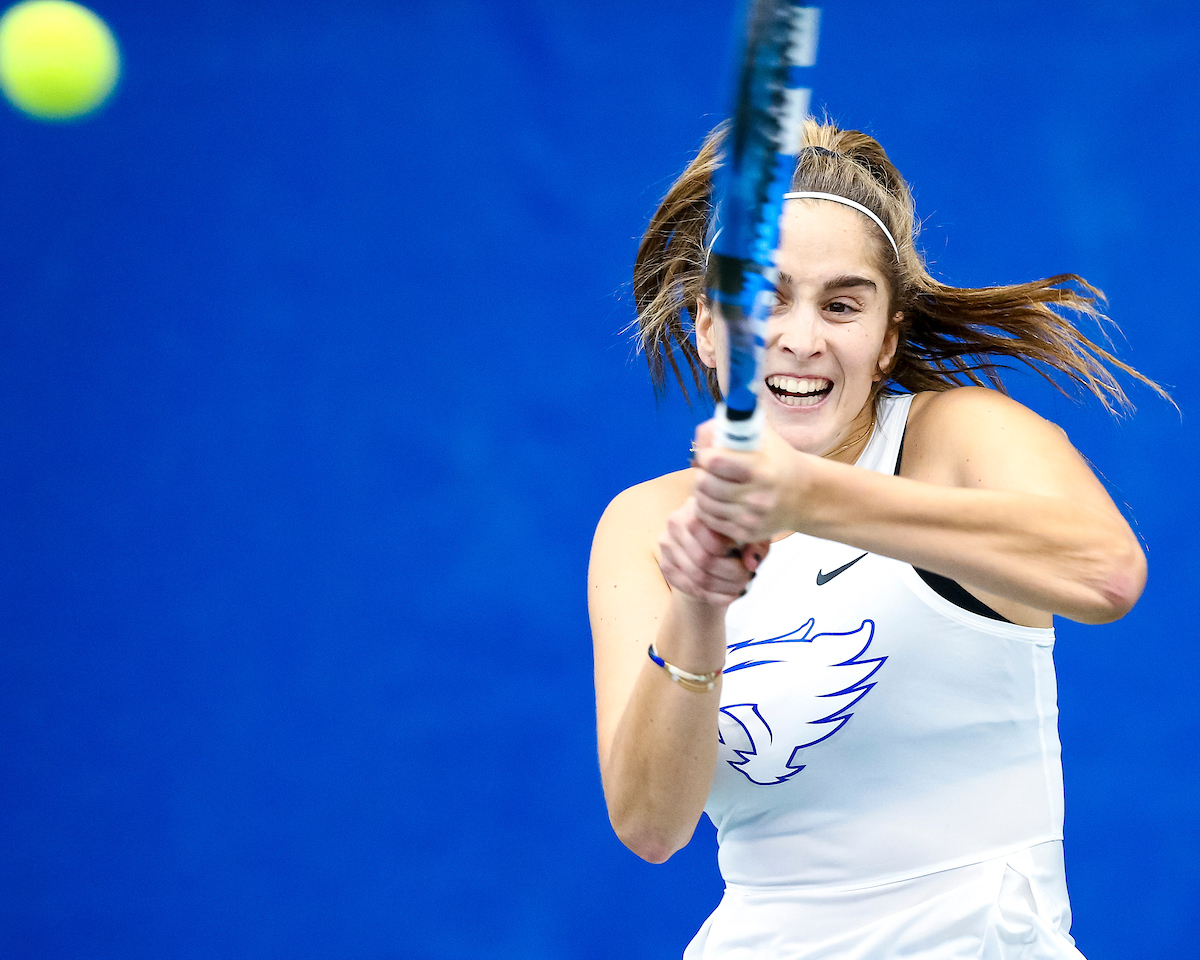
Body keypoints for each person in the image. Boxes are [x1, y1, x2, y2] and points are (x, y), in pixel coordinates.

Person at [589, 119, 1164, 959]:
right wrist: (700, 607)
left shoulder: (962, 437)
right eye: (766, 298)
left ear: (886, 339)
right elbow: (649, 823)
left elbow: (1105, 574)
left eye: (841, 305)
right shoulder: (644, 523)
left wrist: (812, 496)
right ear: (709, 328)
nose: (802, 338)